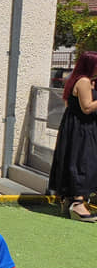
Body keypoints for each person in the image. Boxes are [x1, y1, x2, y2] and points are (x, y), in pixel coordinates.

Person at [48, 50, 97, 221]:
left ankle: (69, 200)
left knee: (76, 161)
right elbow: (87, 107)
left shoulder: (79, 80)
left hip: (76, 127)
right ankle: (77, 204)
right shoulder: (83, 81)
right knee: (83, 164)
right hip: (82, 129)